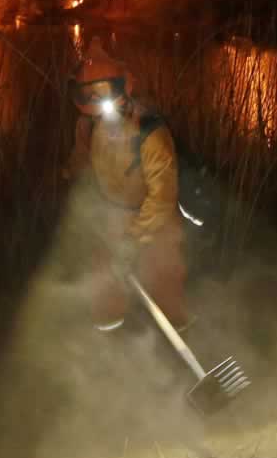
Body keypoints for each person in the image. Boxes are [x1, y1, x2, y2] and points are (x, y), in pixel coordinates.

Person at [63, 37, 188, 333]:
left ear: (122, 87)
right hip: (113, 213)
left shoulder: (150, 132)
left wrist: (134, 238)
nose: (96, 99)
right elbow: (81, 161)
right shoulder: (87, 124)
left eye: (104, 90)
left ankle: (176, 342)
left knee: (163, 282)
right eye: (88, 92)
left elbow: (162, 196)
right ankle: (108, 335)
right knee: (105, 277)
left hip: (156, 220)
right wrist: (72, 184)